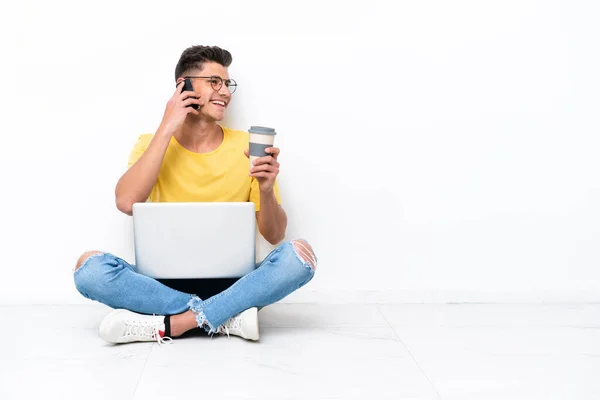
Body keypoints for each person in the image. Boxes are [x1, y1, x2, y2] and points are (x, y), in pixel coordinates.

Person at [73, 45, 317, 344]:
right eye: (215, 81)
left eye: (228, 84)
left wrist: (266, 190)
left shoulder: (248, 146)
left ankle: (176, 324)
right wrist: (167, 126)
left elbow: (275, 234)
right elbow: (125, 202)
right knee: (90, 270)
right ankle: (226, 317)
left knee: (299, 257)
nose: (225, 92)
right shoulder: (150, 143)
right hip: (160, 286)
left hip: (234, 284)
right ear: (183, 86)